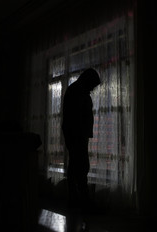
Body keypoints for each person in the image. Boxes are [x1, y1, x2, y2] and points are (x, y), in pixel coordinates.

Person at [62, 68, 101, 212]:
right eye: (92, 85)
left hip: (76, 134)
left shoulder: (77, 90)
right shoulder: (78, 91)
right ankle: (83, 201)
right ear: (88, 80)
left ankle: (75, 200)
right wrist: (81, 136)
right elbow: (77, 116)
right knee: (81, 167)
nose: (92, 89)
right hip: (77, 135)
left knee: (76, 167)